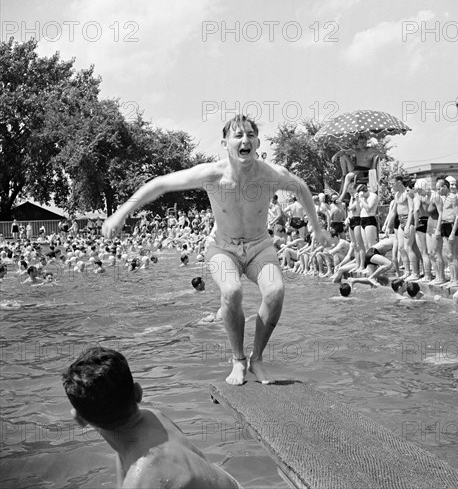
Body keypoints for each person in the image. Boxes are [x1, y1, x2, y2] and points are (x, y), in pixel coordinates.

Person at [103, 115, 330, 385]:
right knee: (232, 291)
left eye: (250, 135)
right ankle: (238, 360)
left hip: (259, 246)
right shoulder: (211, 174)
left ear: (257, 142)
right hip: (223, 247)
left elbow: (301, 187)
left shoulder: (271, 174)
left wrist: (316, 228)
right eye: (238, 135)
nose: (244, 140)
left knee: (276, 292)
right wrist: (120, 213)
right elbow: (160, 184)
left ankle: (256, 359)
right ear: (225, 143)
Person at [62, 347, 242, 489]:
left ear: (80, 418)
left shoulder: (140, 481)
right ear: (138, 393)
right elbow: (123, 452)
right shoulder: (153, 416)